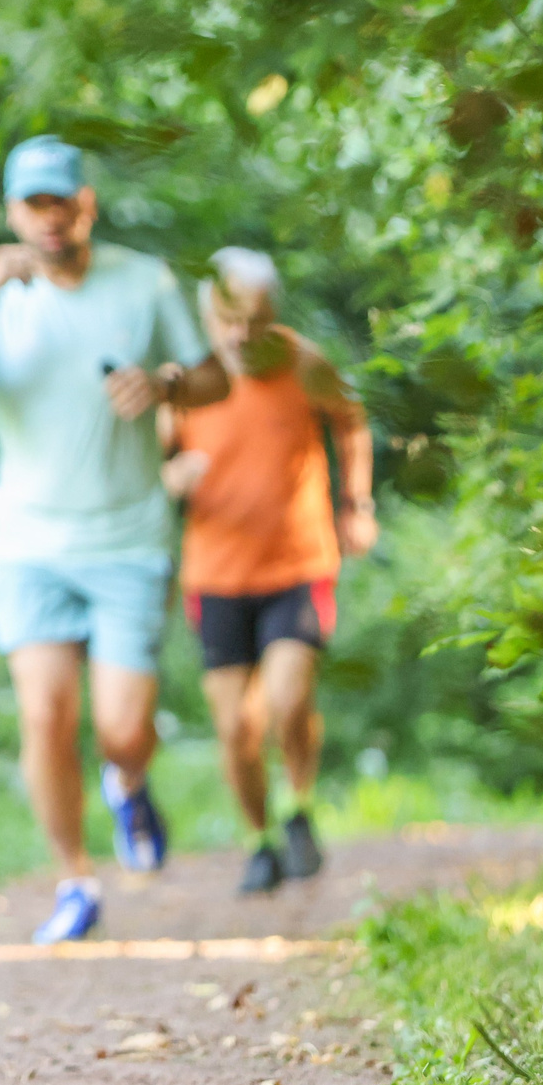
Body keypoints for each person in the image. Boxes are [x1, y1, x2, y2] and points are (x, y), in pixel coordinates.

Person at [0, 138, 228, 944]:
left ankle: (129, 777)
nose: (50, 218)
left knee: (121, 727)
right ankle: (76, 876)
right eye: (33, 204)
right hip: (27, 541)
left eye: (62, 202)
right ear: (14, 214)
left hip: (128, 539)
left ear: (87, 205)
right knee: (44, 715)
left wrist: (167, 383)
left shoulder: (144, 281)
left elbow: (217, 375)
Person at [161, 248, 376, 895]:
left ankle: (299, 805)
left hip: (298, 564)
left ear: (272, 313)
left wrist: (357, 502)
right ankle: (259, 842)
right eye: (227, 320)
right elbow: (154, 465)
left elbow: (352, 421)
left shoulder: (302, 362)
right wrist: (174, 476)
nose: (240, 335)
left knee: (287, 699)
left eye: (253, 319)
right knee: (235, 727)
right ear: (207, 316)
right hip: (216, 574)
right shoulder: (185, 381)